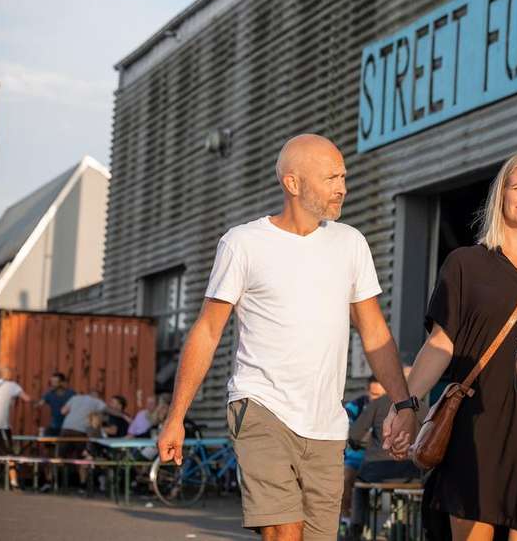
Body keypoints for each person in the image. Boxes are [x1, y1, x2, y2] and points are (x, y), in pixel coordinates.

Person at [156, 134, 417, 541]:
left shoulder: (350, 244)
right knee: (284, 532)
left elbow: (374, 330)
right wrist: (175, 417)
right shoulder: (243, 244)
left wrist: (403, 403)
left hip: (326, 424)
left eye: (343, 176)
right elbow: (207, 331)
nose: (342, 188)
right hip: (261, 407)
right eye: (331, 178)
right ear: (292, 184)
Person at [384, 151, 517, 541]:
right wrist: (407, 404)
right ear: (501, 194)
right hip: (474, 423)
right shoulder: (465, 263)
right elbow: (440, 343)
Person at [348, 368, 421, 541]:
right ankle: (415, 530)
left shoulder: (377, 404)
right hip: (412, 475)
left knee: (359, 483)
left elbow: (353, 436)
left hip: (376, 474)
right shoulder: (421, 406)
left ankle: (356, 526)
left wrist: (362, 442)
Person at [341, 377, 382, 533]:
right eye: (373, 394)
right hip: (356, 459)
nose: (376, 398)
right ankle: (345, 519)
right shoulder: (355, 406)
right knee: (345, 477)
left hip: (379, 460)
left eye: (379, 395)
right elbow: (350, 435)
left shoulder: (389, 407)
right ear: (367, 391)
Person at [0, 367, 32, 489]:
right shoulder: (12, 385)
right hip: (0, 426)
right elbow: (27, 398)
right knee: (9, 454)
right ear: (8, 374)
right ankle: (14, 482)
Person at [36, 372, 75, 437]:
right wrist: (36, 403)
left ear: (62, 383)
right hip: (55, 425)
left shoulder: (71, 393)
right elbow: (39, 403)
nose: (52, 384)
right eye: (51, 382)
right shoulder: (49, 394)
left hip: (69, 426)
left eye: (55, 382)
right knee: (47, 439)